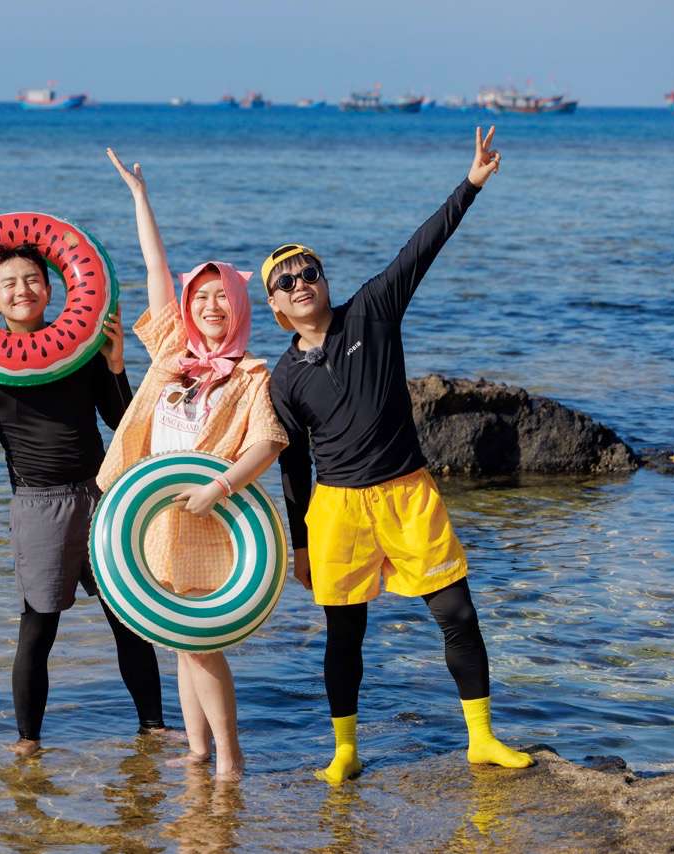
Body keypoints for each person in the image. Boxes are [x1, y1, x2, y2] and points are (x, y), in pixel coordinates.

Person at [263, 127, 533, 783]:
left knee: (456, 613)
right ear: (273, 303)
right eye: (286, 280)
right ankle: (345, 752)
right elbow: (293, 464)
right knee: (344, 635)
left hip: (407, 493)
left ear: (325, 282)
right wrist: (299, 543)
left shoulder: (374, 312)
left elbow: (423, 247)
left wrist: (469, 184)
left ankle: (481, 739)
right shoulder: (282, 379)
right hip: (337, 510)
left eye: (309, 272)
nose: (301, 283)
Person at [0, 242, 169, 756]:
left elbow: (123, 424)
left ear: (52, 287)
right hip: (38, 503)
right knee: (38, 627)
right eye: (9, 284)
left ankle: (153, 726)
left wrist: (116, 364)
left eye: (32, 280)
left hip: (101, 493)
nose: (22, 290)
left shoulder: (79, 351)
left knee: (128, 618)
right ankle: (28, 741)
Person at [103, 149, 289, 779]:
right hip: (157, 515)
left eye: (222, 297)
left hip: (211, 518)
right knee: (178, 642)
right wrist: (140, 198)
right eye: (201, 296)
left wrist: (219, 489)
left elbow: (267, 443)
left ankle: (231, 759)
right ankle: (197, 750)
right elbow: (155, 270)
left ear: (240, 306)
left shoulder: (252, 374)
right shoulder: (170, 354)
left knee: (200, 643)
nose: (211, 305)